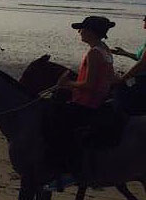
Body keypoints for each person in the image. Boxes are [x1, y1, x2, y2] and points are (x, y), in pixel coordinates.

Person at [47, 16, 117, 188]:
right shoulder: (105, 50)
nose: (79, 32)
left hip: (86, 103)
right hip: (97, 101)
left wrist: (66, 84)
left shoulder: (94, 53)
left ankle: (68, 172)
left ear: (91, 32)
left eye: (82, 29)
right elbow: (108, 78)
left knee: (56, 127)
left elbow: (89, 85)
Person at [111, 15, 146, 113]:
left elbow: (142, 64)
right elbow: (140, 58)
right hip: (141, 76)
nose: (143, 19)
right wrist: (124, 53)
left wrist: (123, 79)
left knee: (118, 87)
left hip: (143, 80)